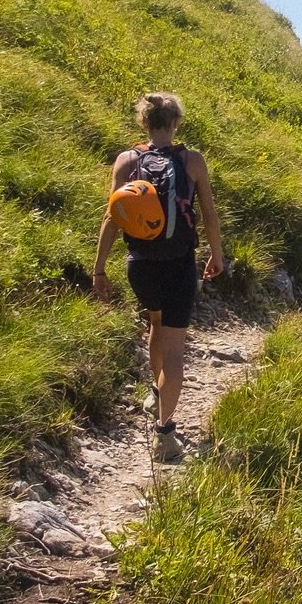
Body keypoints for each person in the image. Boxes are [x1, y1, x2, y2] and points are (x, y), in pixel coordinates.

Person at [92, 92, 223, 463]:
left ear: (144, 122)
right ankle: (165, 433)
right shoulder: (192, 161)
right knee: (175, 348)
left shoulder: (127, 161)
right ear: (176, 122)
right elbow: (209, 215)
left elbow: (111, 219)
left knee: (155, 322)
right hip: (179, 263)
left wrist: (99, 268)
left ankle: (155, 390)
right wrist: (217, 253)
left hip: (141, 264)